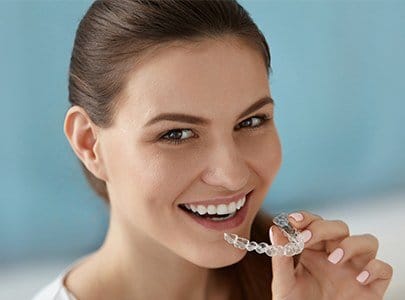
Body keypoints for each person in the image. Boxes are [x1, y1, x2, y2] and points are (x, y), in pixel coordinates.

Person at [32, 1, 393, 299]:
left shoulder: (308, 286)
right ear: (89, 144)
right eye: (176, 134)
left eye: (251, 122)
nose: (233, 174)